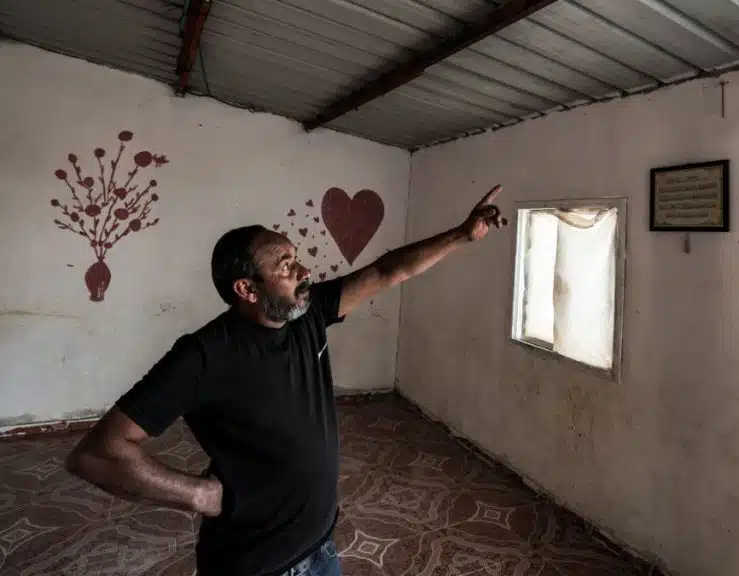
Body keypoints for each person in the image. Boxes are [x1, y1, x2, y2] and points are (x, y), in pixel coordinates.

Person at [65, 185, 508, 576]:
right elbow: (97, 454)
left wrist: (462, 235)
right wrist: (197, 494)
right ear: (247, 289)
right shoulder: (204, 356)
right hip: (259, 563)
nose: (304, 272)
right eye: (285, 265)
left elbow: (387, 271)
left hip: (320, 547)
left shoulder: (308, 314)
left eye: (296, 259)